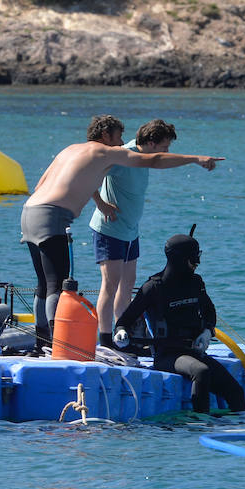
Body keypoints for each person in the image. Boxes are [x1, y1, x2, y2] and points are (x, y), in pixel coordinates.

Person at [20, 115, 222, 349]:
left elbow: (39, 186)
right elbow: (154, 160)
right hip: (53, 217)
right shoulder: (108, 153)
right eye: (118, 136)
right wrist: (196, 158)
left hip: (30, 211)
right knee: (57, 284)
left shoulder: (70, 150)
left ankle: (41, 342)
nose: (122, 141)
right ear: (106, 136)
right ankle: (58, 346)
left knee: (44, 285)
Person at [113, 233, 245, 413]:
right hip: (167, 355)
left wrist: (207, 331)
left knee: (236, 392)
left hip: (194, 351)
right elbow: (124, 321)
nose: (197, 263)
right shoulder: (153, 287)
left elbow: (209, 311)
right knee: (201, 372)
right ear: (180, 259)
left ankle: (235, 430)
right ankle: (200, 426)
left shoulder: (196, 282)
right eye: (194, 259)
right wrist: (121, 331)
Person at [87, 119, 181, 348]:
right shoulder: (122, 156)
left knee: (128, 284)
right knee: (110, 285)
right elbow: (88, 174)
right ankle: (106, 338)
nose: (167, 153)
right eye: (164, 147)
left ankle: (122, 332)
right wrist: (100, 203)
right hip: (110, 228)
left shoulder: (143, 159)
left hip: (130, 230)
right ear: (151, 143)